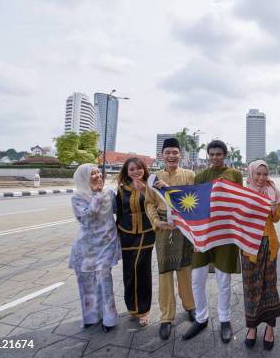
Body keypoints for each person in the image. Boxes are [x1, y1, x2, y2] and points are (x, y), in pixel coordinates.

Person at [182, 140, 243, 343]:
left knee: (223, 279)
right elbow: (193, 203)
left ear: (225, 155)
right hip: (204, 233)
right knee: (197, 277)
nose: (216, 157)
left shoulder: (235, 175)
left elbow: (239, 202)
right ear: (208, 156)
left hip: (225, 233)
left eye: (219, 154)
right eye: (212, 154)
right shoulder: (200, 177)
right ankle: (201, 318)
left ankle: (225, 320)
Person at [145, 138, 196, 341]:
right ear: (162, 155)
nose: (172, 156)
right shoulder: (154, 178)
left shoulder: (190, 175)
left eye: (175, 152)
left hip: (183, 227)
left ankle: (190, 306)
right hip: (164, 228)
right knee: (165, 272)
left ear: (180, 155)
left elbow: (193, 200)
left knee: (185, 269)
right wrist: (156, 222)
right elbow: (149, 203)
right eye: (168, 153)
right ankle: (166, 317)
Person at [69, 164, 121, 333]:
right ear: (84, 178)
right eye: (93, 173)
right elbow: (86, 218)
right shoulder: (77, 197)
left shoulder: (109, 192)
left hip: (106, 243)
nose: (98, 175)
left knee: (104, 279)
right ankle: (91, 317)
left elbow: (119, 209)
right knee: (87, 282)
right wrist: (97, 196)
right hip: (86, 247)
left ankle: (109, 318)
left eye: (99, 172)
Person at [241, 160, 280, 351]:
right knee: (251, 287)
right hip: (249, 246)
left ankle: (270, 328)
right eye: (258, 174)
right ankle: (251, 327)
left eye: (265, 174)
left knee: (269, 287)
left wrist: (273, 207)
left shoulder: (273, 190)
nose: (261, 178)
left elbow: (276, 218)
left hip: (269, 244)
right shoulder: (244, 193)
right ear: (251, 174)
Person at [115, 157, 155, 327]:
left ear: (144, 170)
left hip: (146, 232)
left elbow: (157, 204)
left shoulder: (151, 186)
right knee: (129, 270)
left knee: (142, 269)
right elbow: (119, 212)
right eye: (132, 169)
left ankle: (144, 310)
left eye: (139, 168)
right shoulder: (121, 189)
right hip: (126, 233)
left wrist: (145, 190)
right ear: (127, 172)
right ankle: (133, 308)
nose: (136, 172)